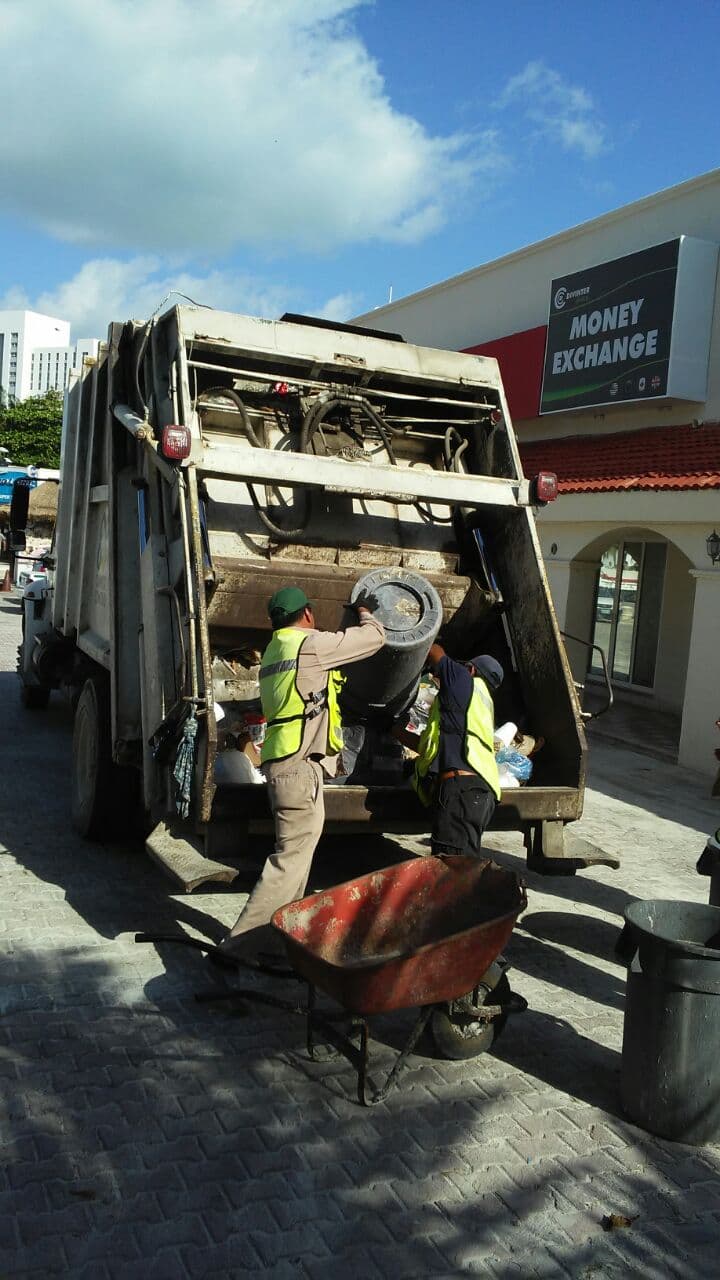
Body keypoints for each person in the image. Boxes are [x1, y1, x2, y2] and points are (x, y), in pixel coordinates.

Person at [220, 585, 385, 957]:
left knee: (297, 860)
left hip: (283, 763)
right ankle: (237, 945)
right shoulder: (309, 646)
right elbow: (374, 640)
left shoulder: (275, 650)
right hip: (298, 768)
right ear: (308, 614)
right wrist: (366, 612)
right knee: (288, 862)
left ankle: (282, 941)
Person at [410, 643, 503, 857]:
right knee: (461, 867)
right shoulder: (479, 705)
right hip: (479, 793)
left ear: (471, 670)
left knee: (450, 870)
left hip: (461, 792)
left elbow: (434, 649)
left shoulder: (463, 679)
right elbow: (432, 746)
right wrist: (392, 728)